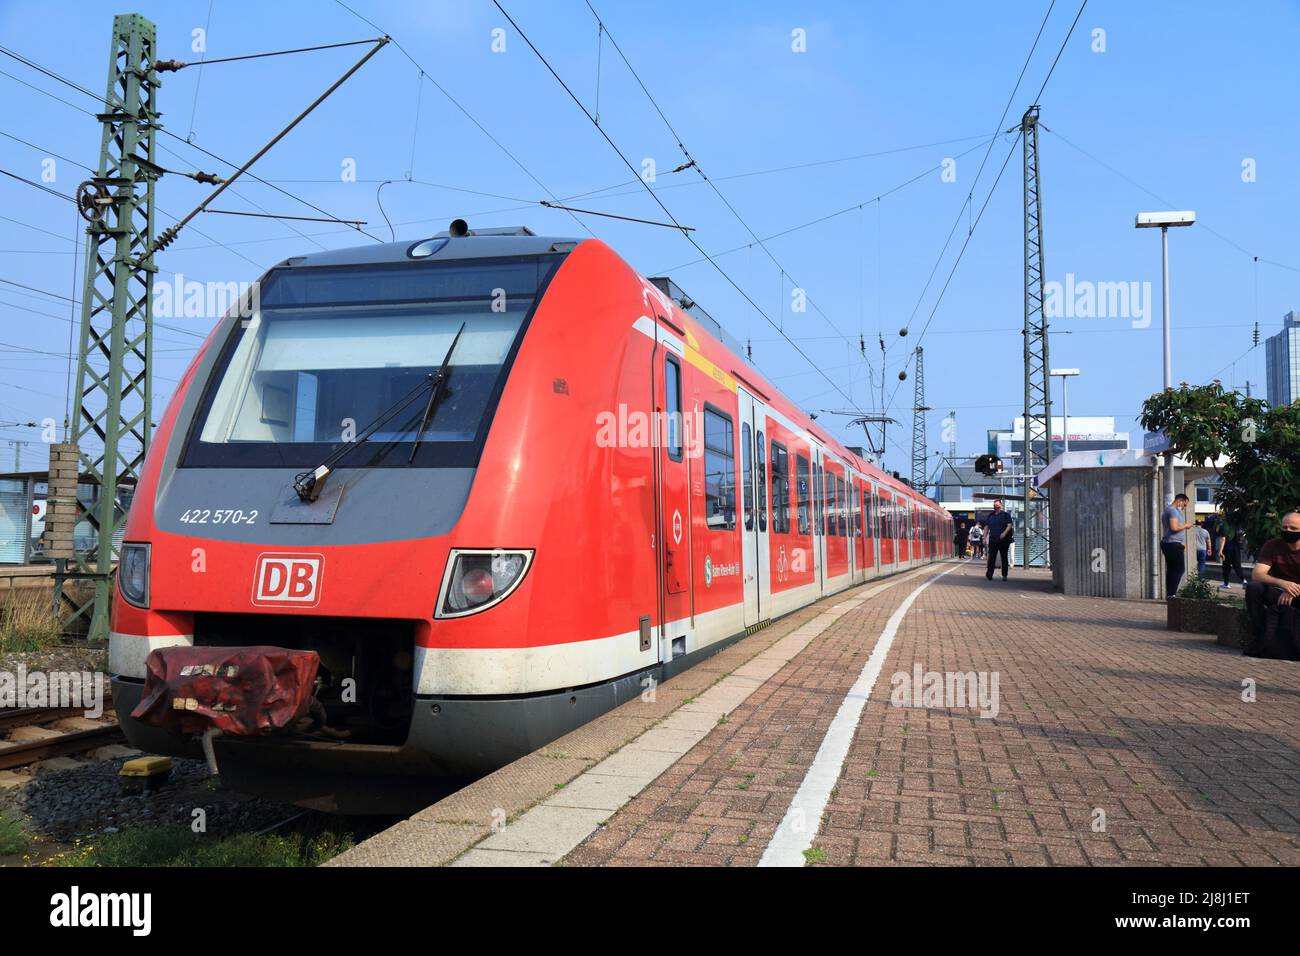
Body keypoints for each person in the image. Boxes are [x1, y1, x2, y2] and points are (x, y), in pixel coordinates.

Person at [1244, 512, 1300, 659]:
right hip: (1280, 592)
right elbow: (1258, 574)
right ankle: (1259, 638)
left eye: (1293, 528)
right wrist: (1282, 584)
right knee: (1253, 588)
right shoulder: (1273, 545)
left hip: (1296, 593)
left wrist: (1292, 590)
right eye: (1285, 527)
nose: (1288, 531)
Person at [1161, 493, 1193, 598]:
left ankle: (1170, 593)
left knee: (1171, 569)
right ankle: (1172, 594)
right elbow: (1174, 528)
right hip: (1173, 544)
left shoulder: (1168, 510)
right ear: (1179, 501)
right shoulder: (1173, 511)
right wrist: (1186, 526)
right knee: (1179, 569)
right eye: (1184, 504)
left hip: (1171, 543)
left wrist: (1182, 543)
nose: (1184, 507)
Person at [984, 499, 1014, 581]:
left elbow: (1009, 525)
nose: (995, 506)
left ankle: (1004, 575)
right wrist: (984, 538)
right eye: (994, 505)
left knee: (1004, 557)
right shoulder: (990, 516)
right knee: (991, 557)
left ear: (1001, 505)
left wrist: (1004, 533)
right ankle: (989, 574)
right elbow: (986, 527)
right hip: (993, 539)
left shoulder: (1006, 515)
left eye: (997, 505)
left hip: (1003, 540)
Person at [1219, 518, 1246, 590]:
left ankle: (1226, 583)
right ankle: (1244, 581)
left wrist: (1220, 550)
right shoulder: (1236, 527)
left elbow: (1223, 538)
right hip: (1236, 549)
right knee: (1237, 566)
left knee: (1226, 567)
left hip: (1227, 549)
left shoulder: (1223, 526)